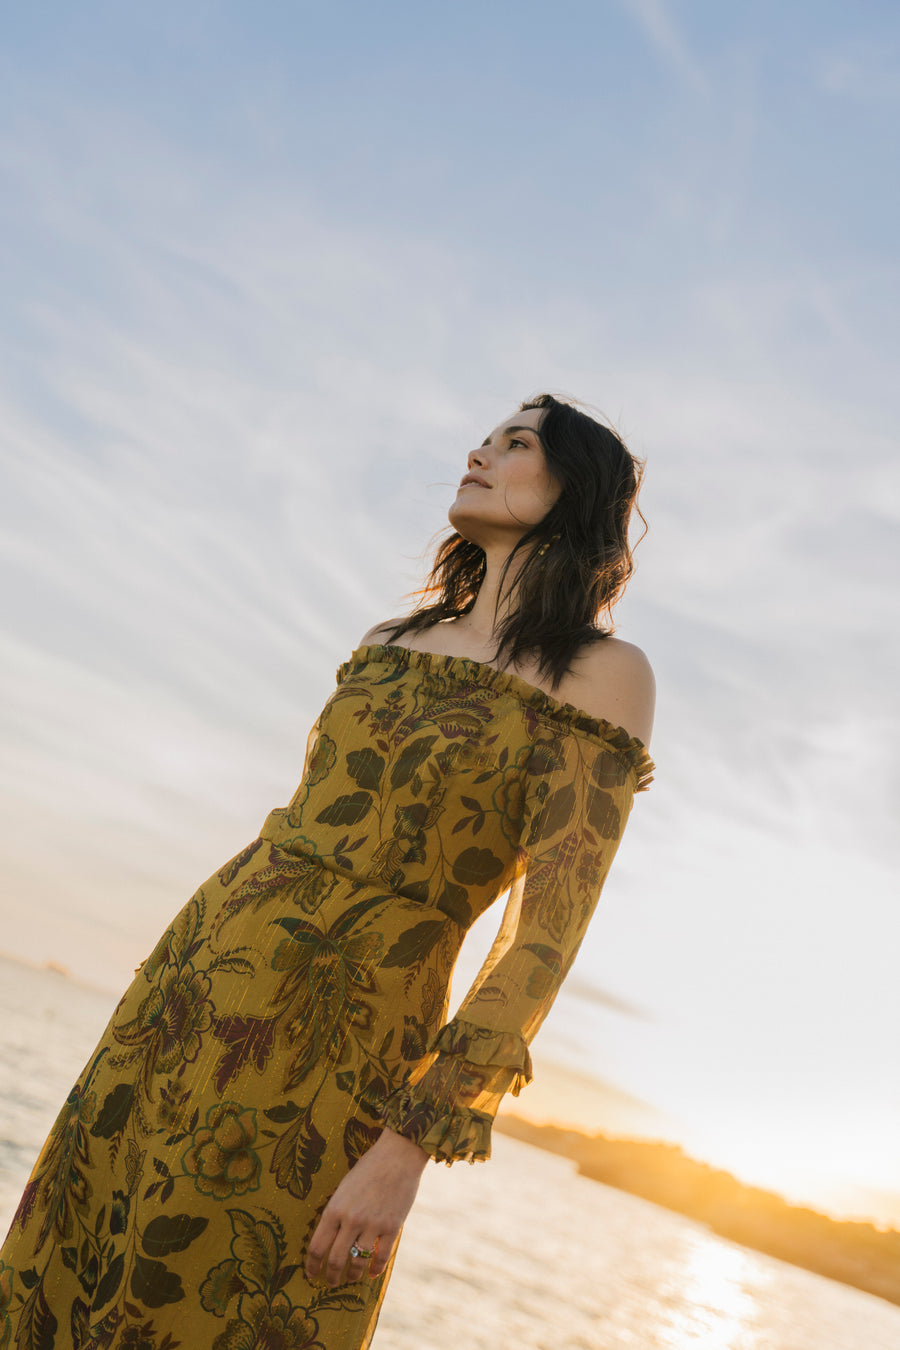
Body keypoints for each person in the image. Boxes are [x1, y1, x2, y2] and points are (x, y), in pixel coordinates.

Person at [0, 393, 655, 1350]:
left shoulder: (604, 673)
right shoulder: (394, 641)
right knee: (87, 1241)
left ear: (575, 490)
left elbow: (545, 936)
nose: (478, 452)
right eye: (484, 436)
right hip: (195, 978)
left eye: (516, 444)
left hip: (346, 1033)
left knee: (236, 1293)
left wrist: (408, 1148)